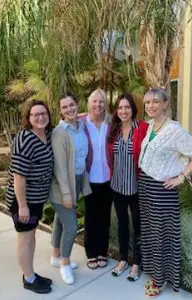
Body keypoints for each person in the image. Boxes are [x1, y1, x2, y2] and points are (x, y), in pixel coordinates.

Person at [138, 88, 192, 297]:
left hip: (162, 190)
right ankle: (153, 271)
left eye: (156, 101)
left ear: (165, 103)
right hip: (145, 186)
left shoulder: (174, 130)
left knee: (162, 235)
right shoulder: (150, 126)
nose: (151, 105)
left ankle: (161, 280)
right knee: (150, 232)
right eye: (148, 102)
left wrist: (181, 177)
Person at [6, 100, 54, 294]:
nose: (40, 117)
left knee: (31, 235)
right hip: (23, 200)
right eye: (35, 114)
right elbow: (19, 175)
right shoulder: (25, 138)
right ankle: (28, 278)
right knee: (24, 238)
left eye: (43, 113)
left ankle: (31, 273)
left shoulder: (46, 134)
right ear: (28, 118)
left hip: (36, 199)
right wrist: (22, 205)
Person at [49, 93, 91, 285]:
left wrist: (80, 116)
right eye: (64, 107)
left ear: (77, 105)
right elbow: (60, 168)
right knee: (72, 226)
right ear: (60, 111)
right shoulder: (59, 133)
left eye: (71, 105)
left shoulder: (80, 125)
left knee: (60, 221)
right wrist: (67, 193)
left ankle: (56, 256)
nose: (69, 109)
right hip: (62, 185)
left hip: (77, 180)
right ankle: (65, 263)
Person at [107, 94, 148, 281]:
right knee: (122, 224)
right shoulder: (113, 130)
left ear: (133, 109)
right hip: (117, 186)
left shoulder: (144, 129)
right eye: (120, 108)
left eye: (127, 107)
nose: (123, 111)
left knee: (138, 226)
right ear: (116, 110)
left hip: (137, 187)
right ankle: (123, 259)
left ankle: (137, 263)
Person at [80, 89, 112, 269]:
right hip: (90, 178)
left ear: (105, 104)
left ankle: (102, 251)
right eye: (95, 101)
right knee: (91, 217)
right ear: (89, 103)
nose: (98, 105)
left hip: (108, 178)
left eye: (101, 102)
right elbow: (65, 123)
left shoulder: (111, 122)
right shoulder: (82, 122)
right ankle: (91, 253)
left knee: (105, 217)